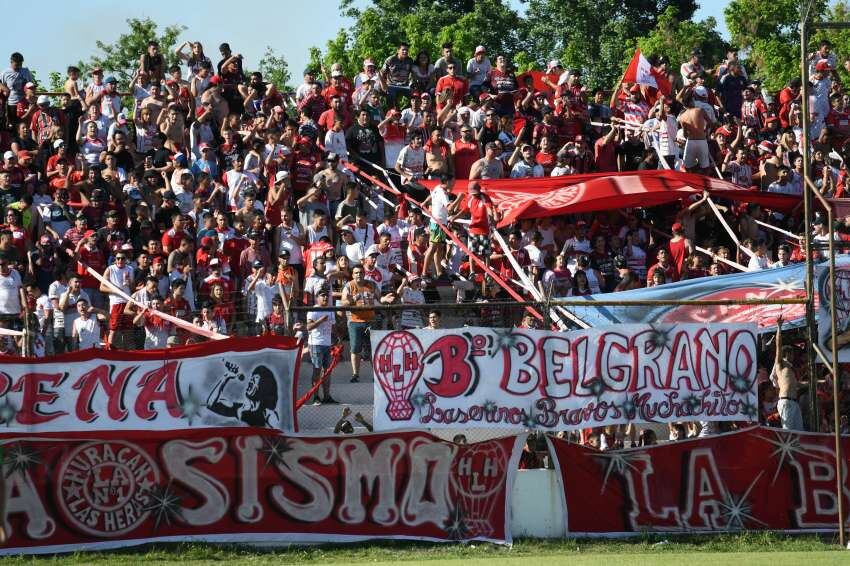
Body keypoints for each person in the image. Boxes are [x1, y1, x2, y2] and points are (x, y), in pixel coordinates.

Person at [207, 364, 280, 427]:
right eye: (251, 378)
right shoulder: (240, 409)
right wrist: (226, 376)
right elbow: (210, 404)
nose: (250, 381)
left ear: (264, 387)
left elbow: (276, 433)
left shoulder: (268, 414)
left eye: (255, 379)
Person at [306, 289, 336, 404]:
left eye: (326, 296)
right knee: (317, 370)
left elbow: (333, 327)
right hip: (316, 344)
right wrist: (320, 320)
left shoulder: (331, 310)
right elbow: (308, 327)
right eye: (322, 296)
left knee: (327, 371)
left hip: (327, 344)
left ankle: (327, 396)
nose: (325, 298)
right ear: (317, 297)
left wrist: (337, 338)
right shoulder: (313, 310)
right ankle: (316, 397)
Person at [773, 317, 803, 431]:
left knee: (799, 432)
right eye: (792, 353)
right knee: (788, 432)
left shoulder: (791, 370)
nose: (793, 356)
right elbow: (778, 346)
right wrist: (779, 327)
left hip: (794, 403)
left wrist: (817, 382)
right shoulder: (780, 364)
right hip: (786, 402)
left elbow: (797, 384)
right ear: (787, 354)